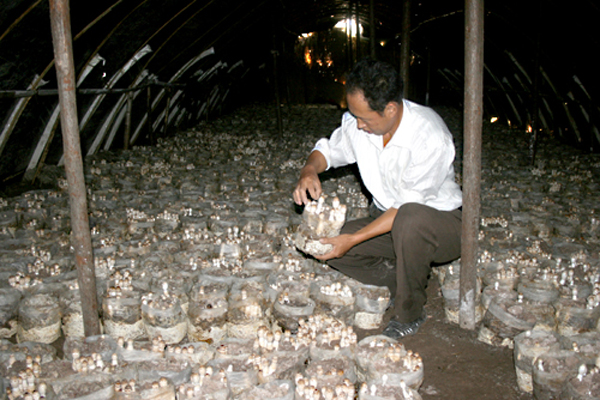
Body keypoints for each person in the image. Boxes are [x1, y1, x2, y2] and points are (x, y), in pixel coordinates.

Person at [293, 58, 463, 339]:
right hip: (388, 221)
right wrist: (309, 169)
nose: (358, 125)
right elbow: (329, 151)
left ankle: (411, 311)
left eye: (365, 118)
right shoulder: (362, 125)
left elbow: (406, 208)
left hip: (438, 225)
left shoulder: (429, 135)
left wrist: (353, 240)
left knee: (408, 219)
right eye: (354, 116)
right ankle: (405, 278)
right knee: (321, 244)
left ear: (391, 109)